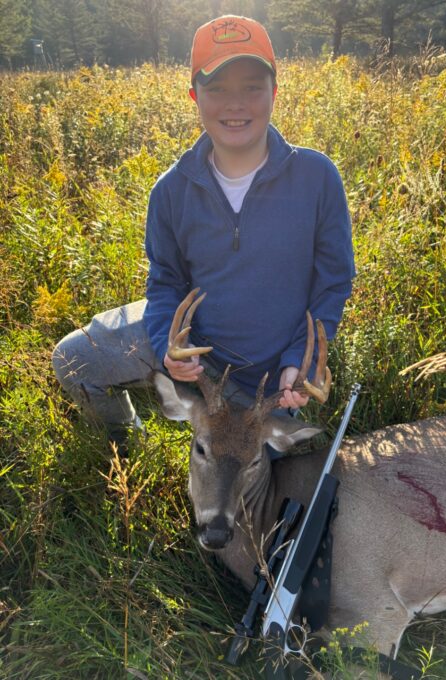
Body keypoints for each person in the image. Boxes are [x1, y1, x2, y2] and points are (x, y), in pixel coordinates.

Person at [52, 15, 355, 452]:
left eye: (252, 87)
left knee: (245, 486)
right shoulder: (172, 191)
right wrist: (168, 347)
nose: (236, 104)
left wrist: (299, 364)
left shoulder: (317, 178)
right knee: (74, 359)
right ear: (195, 95)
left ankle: (242, 425)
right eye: (217, 89)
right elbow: (166, 284)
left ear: (275, 91)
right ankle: (127, 443)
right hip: (194, 349)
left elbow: (333, 284)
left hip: (270, 377)